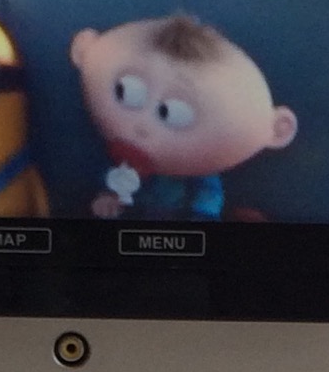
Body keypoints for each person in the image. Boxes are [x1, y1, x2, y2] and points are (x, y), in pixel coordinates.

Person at [70, 14, 298, 222]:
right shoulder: (123, 164)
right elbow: (112, 184)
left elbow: (208, 195)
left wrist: (201, 217)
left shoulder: (199, 172)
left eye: (171, 113)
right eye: (126, 92)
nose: (142, 127)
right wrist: (109, 198)